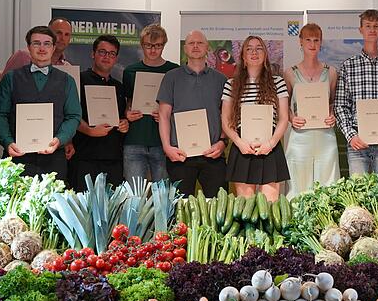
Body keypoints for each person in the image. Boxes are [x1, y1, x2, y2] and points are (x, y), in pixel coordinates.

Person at [0, 26, 81, 181]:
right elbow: (0, 114)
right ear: (28, 47)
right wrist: (7, 142)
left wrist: (59, 139)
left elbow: (73, 116)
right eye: (36, 43)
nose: (42, 48)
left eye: (47, 44)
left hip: (54, 158)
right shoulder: (11, 78)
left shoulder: (67, 81)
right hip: (17, 157)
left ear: (54, 47)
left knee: (52, 204)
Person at [334, 9, 378, 175]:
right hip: (358, 142)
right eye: (368, 26)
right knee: (358, 196)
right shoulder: (348, 66)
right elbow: (340, 106)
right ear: (361, 30)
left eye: (376, 26)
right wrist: (351, 135)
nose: (372, 29)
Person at [158, 30, 228, 197]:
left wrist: (223, 142)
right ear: (185, 48)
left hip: (213, 154)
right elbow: (163, 115)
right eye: (191, 43)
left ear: (208, 48)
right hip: (180, 155)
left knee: (218, 209)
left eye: (200, 43)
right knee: (180, 209)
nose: (195, 46)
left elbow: (227, 116)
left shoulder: (221, 79)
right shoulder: (171, 77)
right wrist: (167, 147)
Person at [221, 35, 290, 201]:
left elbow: (283, 118)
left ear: (265, 54)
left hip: (270, 148)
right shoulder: (231, 84)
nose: (254, 52)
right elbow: (226, 120)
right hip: (242, 148)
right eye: (249, 49)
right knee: (245, 207)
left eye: (259, 48)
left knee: (270, 208)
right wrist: (239, 143)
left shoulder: (278, 82)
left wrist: (271, 143)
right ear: (243, 56)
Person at [283, 23, 340, 199]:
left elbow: (333, 103)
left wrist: (333, 115)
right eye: (308, 39)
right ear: (300, 42)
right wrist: (292, 118)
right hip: (300, 138)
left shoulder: (330, 72)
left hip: (325, 137)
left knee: (328, 186)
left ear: (321, 42)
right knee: (298, 187)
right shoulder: (290, 73)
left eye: (316, 40)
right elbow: (284, 105)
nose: (312, 44)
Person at [69, 35, 129, 191]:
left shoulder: (119, 87)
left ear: (116, 58)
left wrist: (124, 124)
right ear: (93, 54)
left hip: (113, 159)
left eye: (111, 53)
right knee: (84, 210)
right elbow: (70, 115)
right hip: (84, 157)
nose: (106, 57)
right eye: (102, 52)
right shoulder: (77, 80)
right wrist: (89, 130)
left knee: (112, 211)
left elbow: (122, 117)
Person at [122, 23, 180, 182]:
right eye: (148, 45)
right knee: (134, 195)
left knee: (162, 196)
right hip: (135, 139)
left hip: (163, 143)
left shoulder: (174, 71)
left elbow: (179, 106)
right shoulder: (130, 71)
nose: (153, 50)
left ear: (164, 45)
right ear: (142, 45)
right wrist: (127, 114)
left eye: (158, 45)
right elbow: (127, 103)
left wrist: (166, 115)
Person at [2, 17, 73, 74]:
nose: (62, 38)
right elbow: (1, 89)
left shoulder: (68, 68)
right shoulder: (23, 56)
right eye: (58, 33)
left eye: (67, 34)